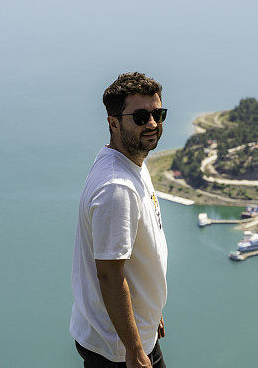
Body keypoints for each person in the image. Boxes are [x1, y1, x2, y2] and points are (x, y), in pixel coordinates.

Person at [70, 72, 169, 368]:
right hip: (118, 350)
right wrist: (135, 351)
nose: (152, 124)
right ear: (114, 123)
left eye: (157, 113)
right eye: (140, 117)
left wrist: (151, 312)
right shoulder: (116, 187)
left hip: (132, 334)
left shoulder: (130, 161)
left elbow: (134, 256)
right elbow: (110, 276)